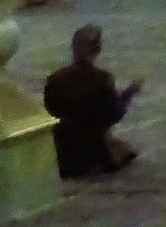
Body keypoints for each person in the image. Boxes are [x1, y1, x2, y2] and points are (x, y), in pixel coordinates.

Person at [42, 24, 141, 179]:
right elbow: (112, 115)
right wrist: (128, 94)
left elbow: (50, 110)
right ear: (97, 50)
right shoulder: (102, 79)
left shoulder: (56, 78)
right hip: (93, 144)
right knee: (123, 151)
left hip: (63, 146)